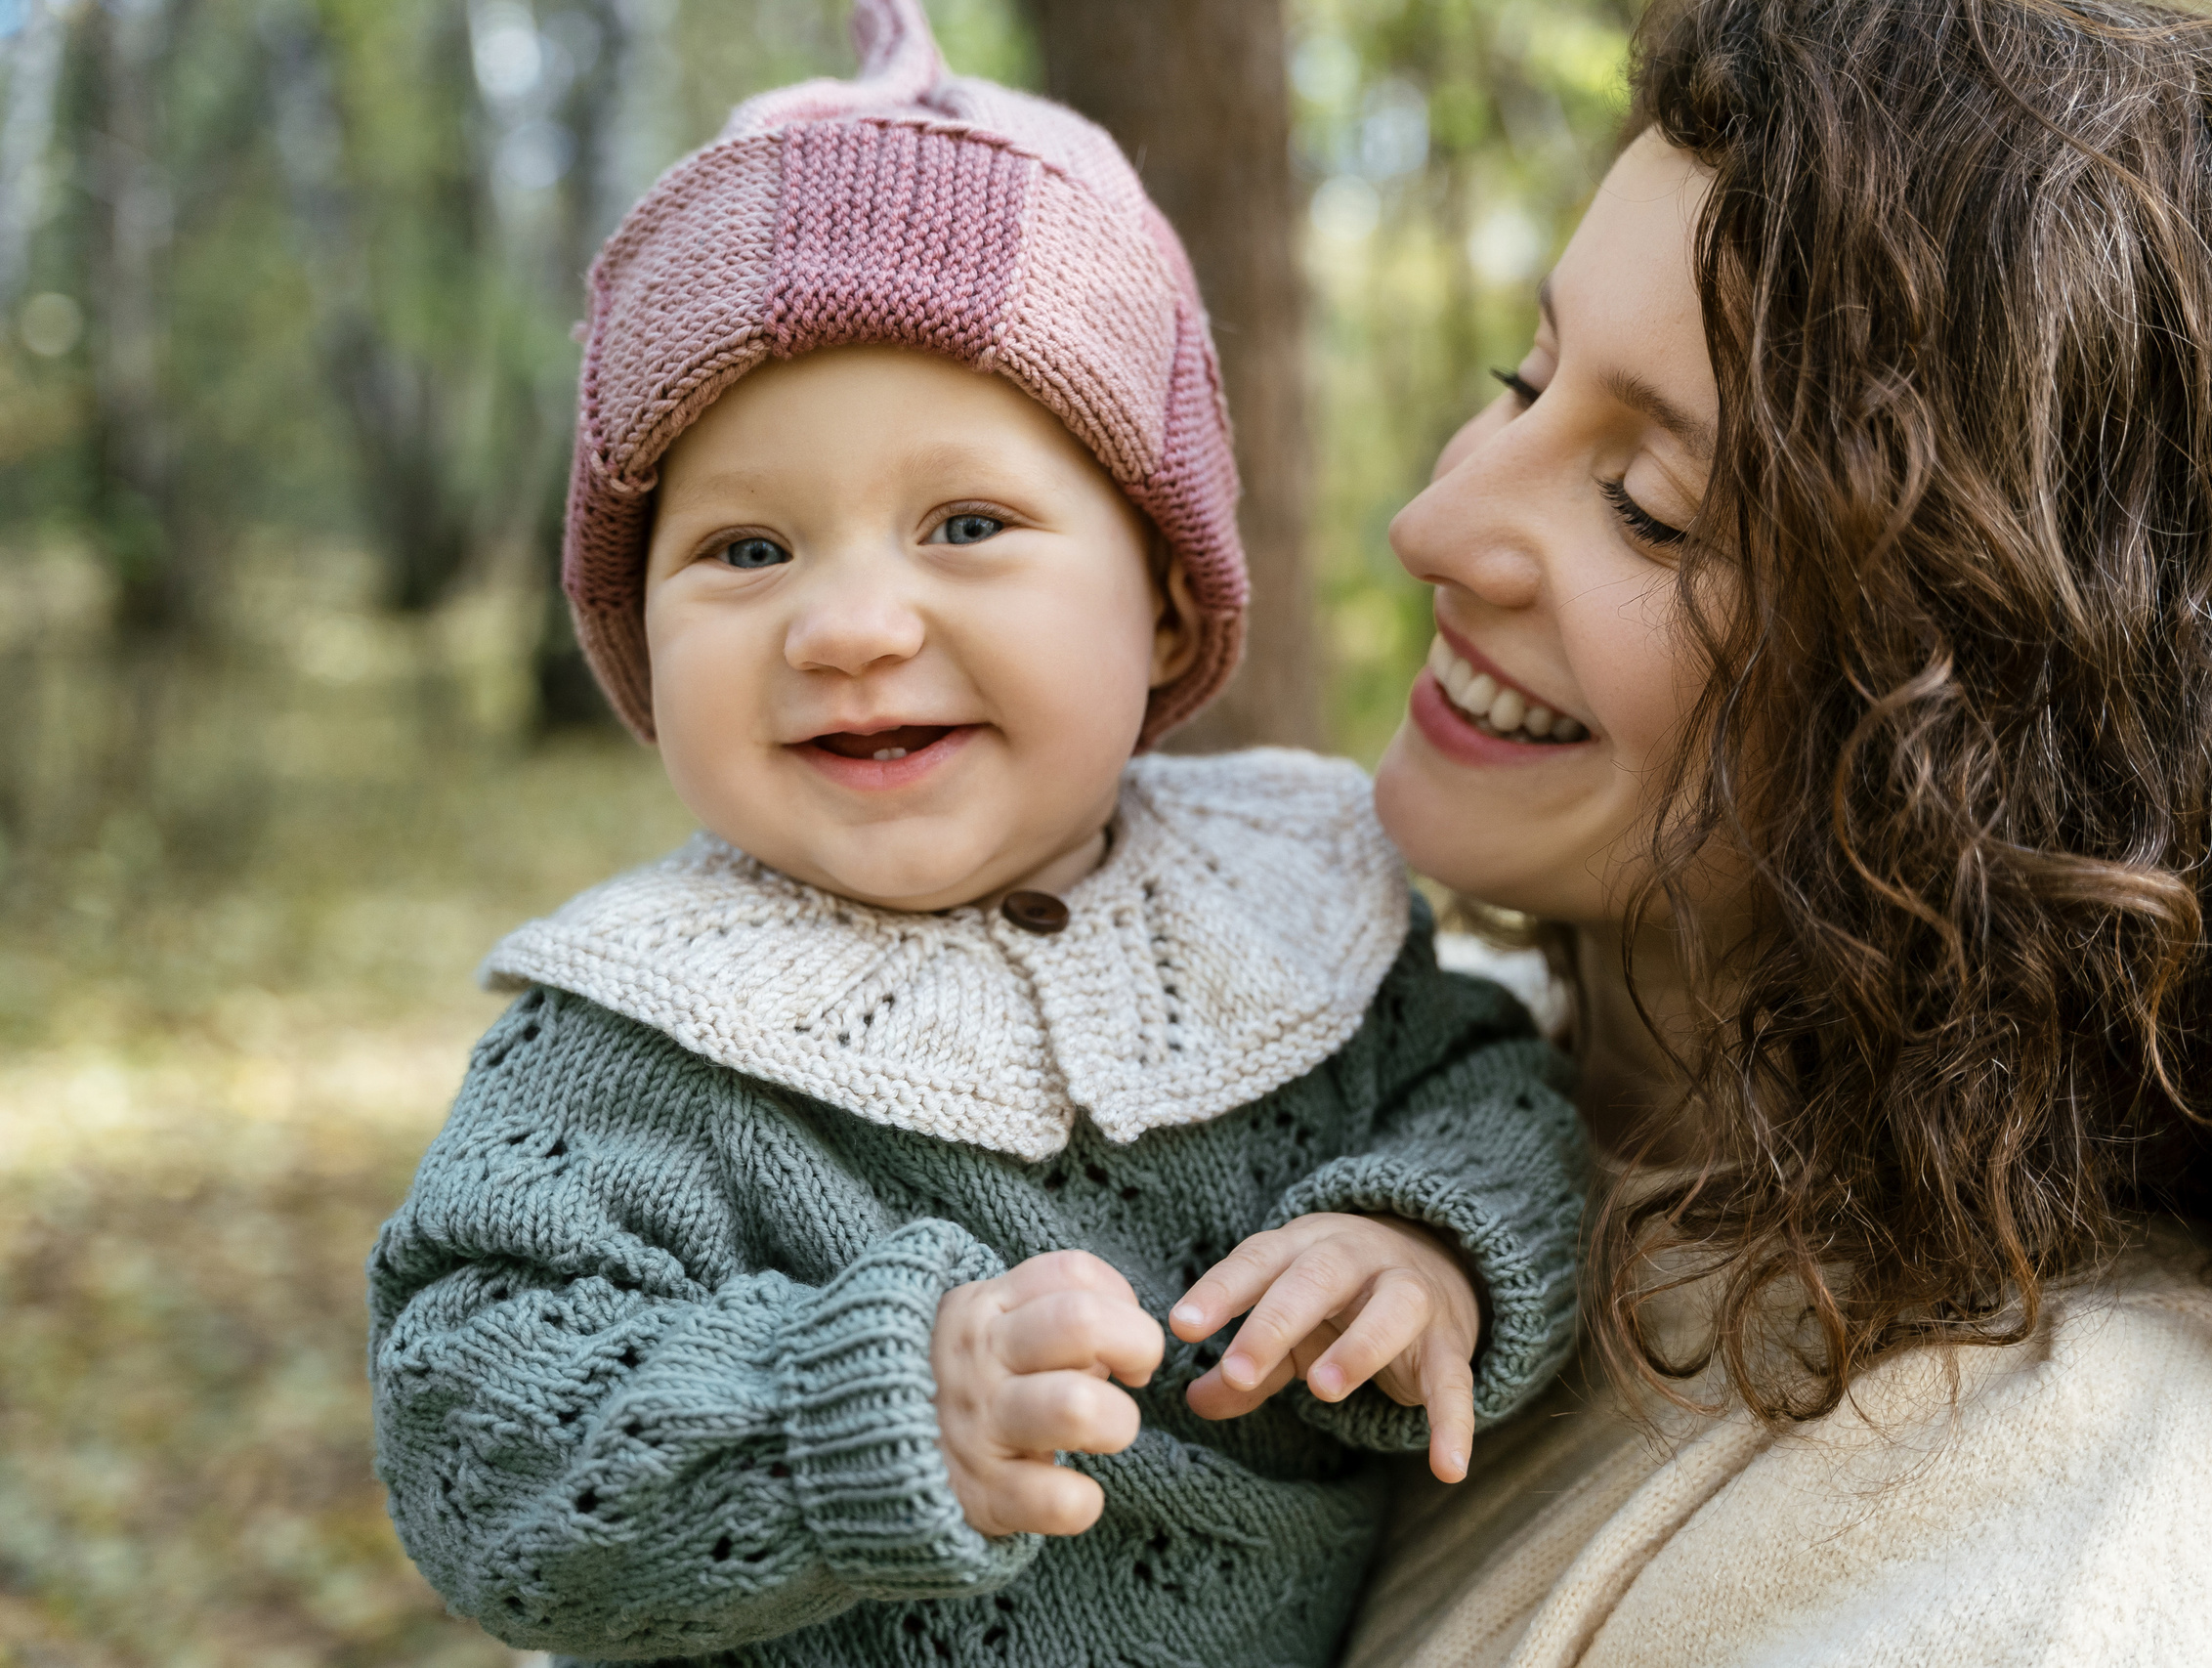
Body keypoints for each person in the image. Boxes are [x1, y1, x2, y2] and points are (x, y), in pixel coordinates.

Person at [362, 5, 1584, 1663]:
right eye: (742, 550)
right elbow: (476, 1435)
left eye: (967, 523)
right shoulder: (636, 1034)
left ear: (1164, 602)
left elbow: (1507, 1084)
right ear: (632, 632)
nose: (850, 625)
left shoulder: (1294, 897)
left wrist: (1432, 1239)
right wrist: (856, 1412)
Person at [1343, 0, 2212, 1662]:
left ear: (2014, 739)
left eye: (1650, 508)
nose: (1436, 522)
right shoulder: (1379, 1065)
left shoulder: (2103, 1513)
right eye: (1519, 383)